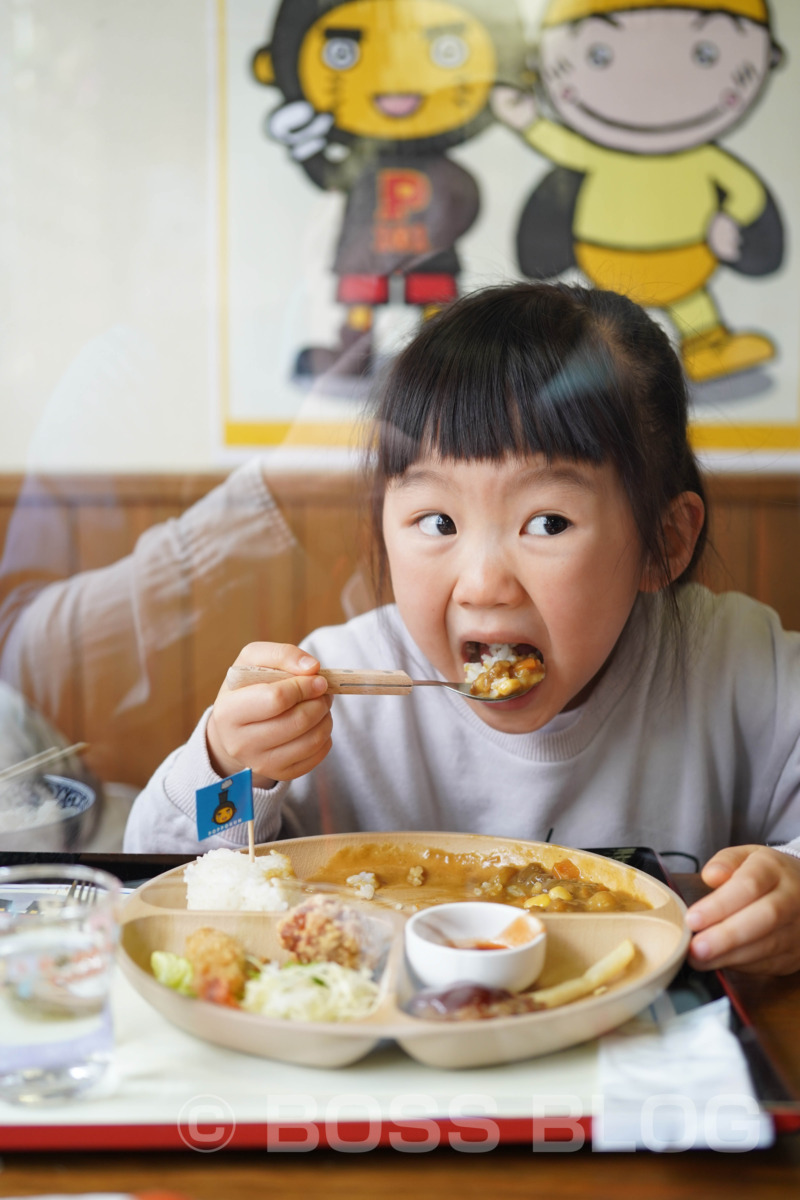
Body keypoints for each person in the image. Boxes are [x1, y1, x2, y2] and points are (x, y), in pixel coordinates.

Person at [124, 281, 800, 976]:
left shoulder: (739, 666)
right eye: (438, 522)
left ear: (664, 542)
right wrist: (232, 766)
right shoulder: (335, 693)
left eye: (547, 523)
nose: (482, 584)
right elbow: (171, 876)